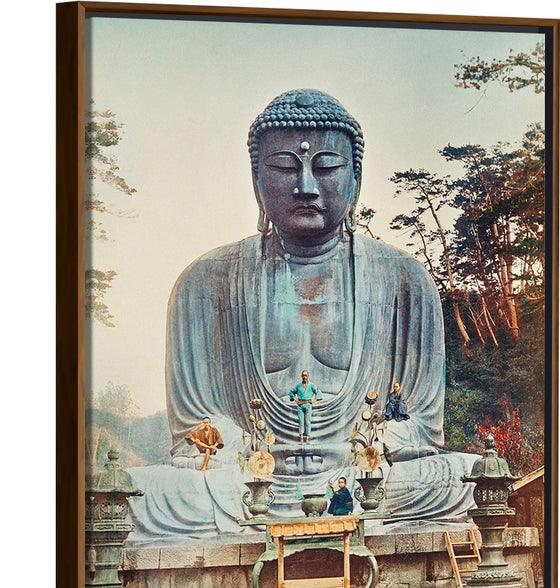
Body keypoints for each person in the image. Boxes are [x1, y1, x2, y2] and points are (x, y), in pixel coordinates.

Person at [127, 89, 477, 541]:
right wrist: (254, 463)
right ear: (256, 179)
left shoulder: (405, 280)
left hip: (366, 481)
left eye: (327, 167)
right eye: (285, 168)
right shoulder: (203, 283)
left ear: (356, 177)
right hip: (246, 484)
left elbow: (420, 428)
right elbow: (196, 428)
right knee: (141, 492)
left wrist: (367, 453)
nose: (306, 187)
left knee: (465, 476)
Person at [289, 370, 321, 442]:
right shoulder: (298, 386)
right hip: (300, 405)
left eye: (306, 375)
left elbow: (318, 391)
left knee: (307, 421)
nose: (304, 377)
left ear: (308, 376)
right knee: (301, 421)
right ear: (301, 376)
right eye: (303, 375)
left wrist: (315, 399)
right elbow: (291, 392)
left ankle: (308, 436)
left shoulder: (311, 385)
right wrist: (295, 398)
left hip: (308, 405)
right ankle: (301, 436)